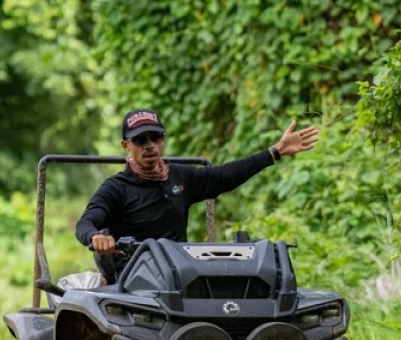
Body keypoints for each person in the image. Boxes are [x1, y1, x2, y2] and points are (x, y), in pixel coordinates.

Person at [75, 108, 319, 255]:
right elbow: (86, 222)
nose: (150, 145)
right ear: (126, 145)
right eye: (140, 140)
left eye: (155, 138)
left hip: (178, 270)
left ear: (163, 139)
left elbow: (224, 176)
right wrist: (96, 237)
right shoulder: (116, 188)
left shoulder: (181, 176)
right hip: (131, 276)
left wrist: (274, 152)